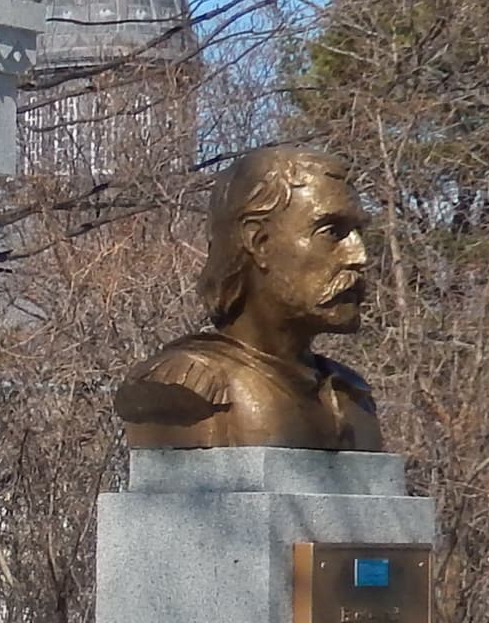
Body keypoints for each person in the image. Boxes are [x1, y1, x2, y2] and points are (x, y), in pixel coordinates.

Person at [114, 143, 387, 453]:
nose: (359, 255)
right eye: (331, 231)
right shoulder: (183, 388)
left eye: (357, 232)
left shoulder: (352, 395)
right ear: (258, 241)